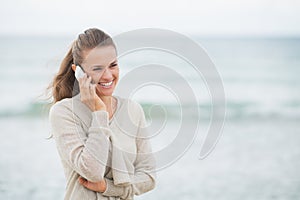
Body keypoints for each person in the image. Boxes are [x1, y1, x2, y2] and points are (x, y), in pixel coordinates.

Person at [48, 28, 156, 200]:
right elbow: (92, 171)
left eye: (113, 65)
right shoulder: (64, 112)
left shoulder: (133, 110)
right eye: (97, 68)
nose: (107, 76)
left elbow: (149, 178)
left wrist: (109, 188)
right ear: (78, 72)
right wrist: (99, 112)